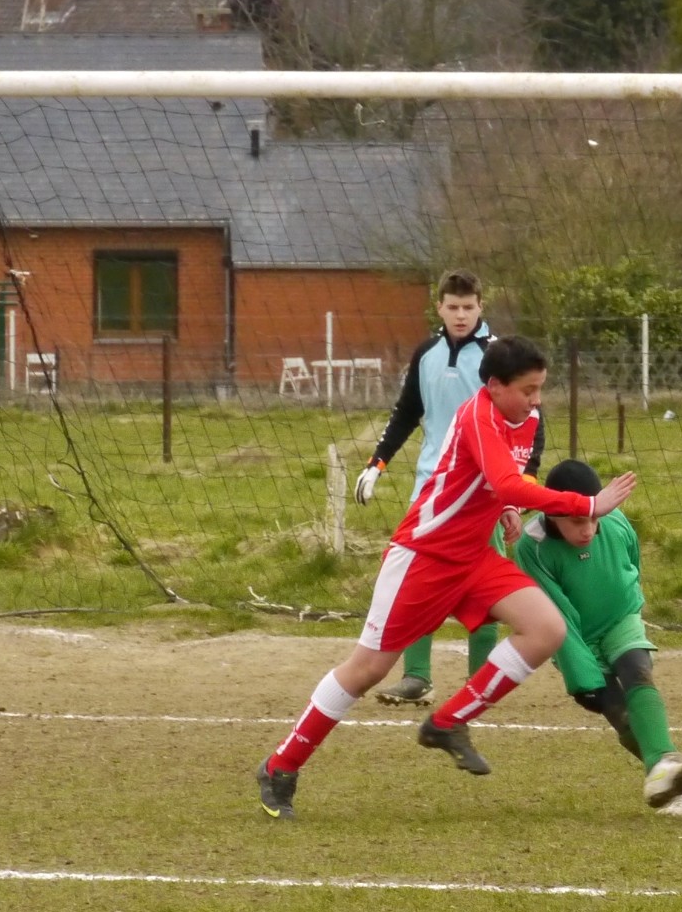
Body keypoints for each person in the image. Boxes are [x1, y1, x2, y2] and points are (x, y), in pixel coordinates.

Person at [258, 337, 637, 819]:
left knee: (546, 629)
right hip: (424, 557)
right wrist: (589, 504)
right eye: (528, 389)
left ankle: (447, 722)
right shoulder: (478, 416)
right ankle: (280, 766)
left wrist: (506, 506)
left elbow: (502, 484)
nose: (537, 399)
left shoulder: (527, 419)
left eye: (541, 388)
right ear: (494, 386)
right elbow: (504, 480)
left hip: (473, 557)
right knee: (368, 669)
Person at [515, 459, 682, 818]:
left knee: (637, 670)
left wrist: (631, 606)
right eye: (577, 521)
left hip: (621, 619)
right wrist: (581, 675)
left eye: (594, 518)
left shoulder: (615, 521)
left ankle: (666, 767)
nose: (588, 529)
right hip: (576, 638)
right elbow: (553, 615)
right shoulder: (532, 548)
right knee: (619, 714)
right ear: (552, 512)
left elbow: (632, 564)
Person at [354, 271, 516, 704]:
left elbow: (525, 424)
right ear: (439, 307)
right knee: (416, 582)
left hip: (481, 493)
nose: (461, 315)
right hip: (430, 489)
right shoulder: (426, 353)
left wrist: (517, 488)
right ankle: (416, 677)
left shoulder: (499, 356)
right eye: (453, 307)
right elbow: (406, 412)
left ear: (481, 307)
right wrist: (377, 464)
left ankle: (480, 682)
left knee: (484, 583)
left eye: (468, 307)